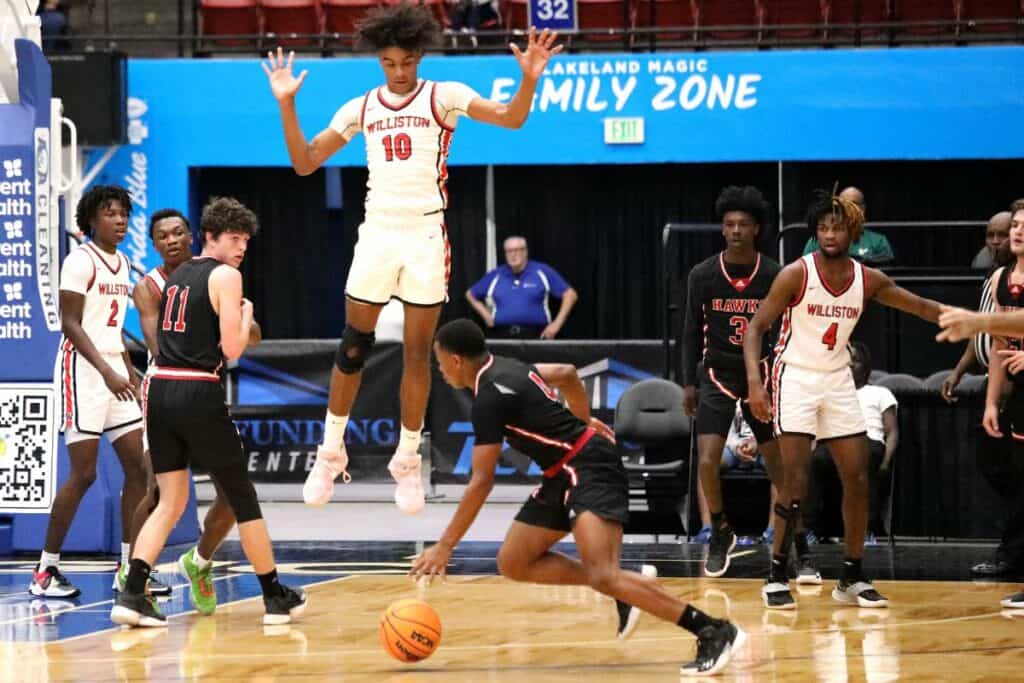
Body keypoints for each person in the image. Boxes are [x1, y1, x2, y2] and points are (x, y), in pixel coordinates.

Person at [263, 2, 562, 514]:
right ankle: (330, 453)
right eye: (389, 63)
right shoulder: (361, 107)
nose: (398, 72)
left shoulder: (444, 96)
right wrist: (287, 104)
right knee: (353, 345)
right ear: (379, 61)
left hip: (424, 233)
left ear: (419, 57)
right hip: (378, 231)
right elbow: (305, 162)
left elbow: (512, 118)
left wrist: (529, 79)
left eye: (406, 62)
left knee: (417, 353)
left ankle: (406, 461)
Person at [410, 319, 746, 676]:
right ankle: (626, 584)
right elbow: (566, 373)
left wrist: (445, 546)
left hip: (590, 467)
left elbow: (481, 481)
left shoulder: (488, 399)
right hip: (562, 471)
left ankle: (713, 630)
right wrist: (581, 421)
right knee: (514, 562)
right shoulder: (510, 366)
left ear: (457, 360)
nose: (440, 370)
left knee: (603, 574)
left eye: (440, 362)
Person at [111, 198, 306, 628]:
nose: (241, 248)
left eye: (246, 241)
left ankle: (132, 593)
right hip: (197, 388)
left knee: (170, 500)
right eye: (234, 239)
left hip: (159, 388)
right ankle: (274, 595)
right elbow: (232, 348)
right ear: (210, 238)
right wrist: (246, 314)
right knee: (242, 497)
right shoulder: (226, 276)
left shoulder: (178, 276)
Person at [744, 190, 940, 610]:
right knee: (795, 481)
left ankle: (852, 575)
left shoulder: (868, 279)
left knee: (858, 476)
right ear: (815, 233)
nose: (830, 234)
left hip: (837, 379)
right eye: (823, 228)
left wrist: (975, 321)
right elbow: (754, 328)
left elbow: (921, 306)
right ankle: (776, 573)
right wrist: (755, 385)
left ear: (853, 232)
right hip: (794, 376)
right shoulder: (796, 274)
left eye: (837, 227)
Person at [680, 186, 813, 580]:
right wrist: (687, 383)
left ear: (756, 228)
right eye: (729, 224)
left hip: (764, 375)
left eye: (743, 224)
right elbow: (690, 331)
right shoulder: (703, 275)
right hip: (717, 375)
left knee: (780, 469)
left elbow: (788, 329)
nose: (736, 230)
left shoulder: (774, 274)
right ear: (722, 229)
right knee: (706, 460)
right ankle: (720, 529)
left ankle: (798, 541)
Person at [31, 186, 148, 599]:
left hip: (114, 368)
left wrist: (129, 372)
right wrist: (106, 371)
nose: (120, 220)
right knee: (84, 473)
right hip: (82, 370)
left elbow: (112, 328)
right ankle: (45, 570)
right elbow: (71, 324)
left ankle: (128, 569)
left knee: (140, 470)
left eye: (124, 214)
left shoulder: (123, 262)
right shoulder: (80, 260)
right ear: (91, 220)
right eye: (110, 213)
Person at [129, 208, 242, 614]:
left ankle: (200, 561)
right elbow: (160, 348)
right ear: (154, 245)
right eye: (163, 236)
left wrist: (240, 322)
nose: (172, 240)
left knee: (233, 492)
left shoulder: (215, 275)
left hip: (206, 390)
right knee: (158, 490)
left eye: (178, 232)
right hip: (166, 388)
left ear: (192, 236)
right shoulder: (148, 287)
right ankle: (133, 574)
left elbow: (250, 333)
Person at [941, 209, 1017, 577]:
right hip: (998, 379)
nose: (1001, 240)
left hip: (1016, 381)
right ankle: (1014, 549)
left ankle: (1013, 552)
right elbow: (994, 336)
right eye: (996, 233)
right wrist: (962, 374)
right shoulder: (997, 278)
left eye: (1012, 230)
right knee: (996, 463)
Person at [805, 342, 898, 542]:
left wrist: (886, 461)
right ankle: (812, 529)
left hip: (869, 441)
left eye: (855, 361)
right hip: (835, 441)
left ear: (866, 367)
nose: (849, 365)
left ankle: (866, 531)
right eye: (845, 361)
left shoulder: (880, 393)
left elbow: (892, 432)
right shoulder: (829, 394)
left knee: (864, 459)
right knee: (815, 461)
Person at [466, 236, 578, 340]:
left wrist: (556, 324)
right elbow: (470, 294)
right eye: (509, 251)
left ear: (525, 252)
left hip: (536, 335)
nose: (513, 255)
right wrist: (486, 315)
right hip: (501, 335)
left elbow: (570, 295)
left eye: (517, 250)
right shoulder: (496, 275)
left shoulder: (541, 271)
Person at [802, 187, 894, 265]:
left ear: (862, 209)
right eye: (843, 204)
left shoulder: (879, 241)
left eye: (852, 204)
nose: (830, 236)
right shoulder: (816, 241)